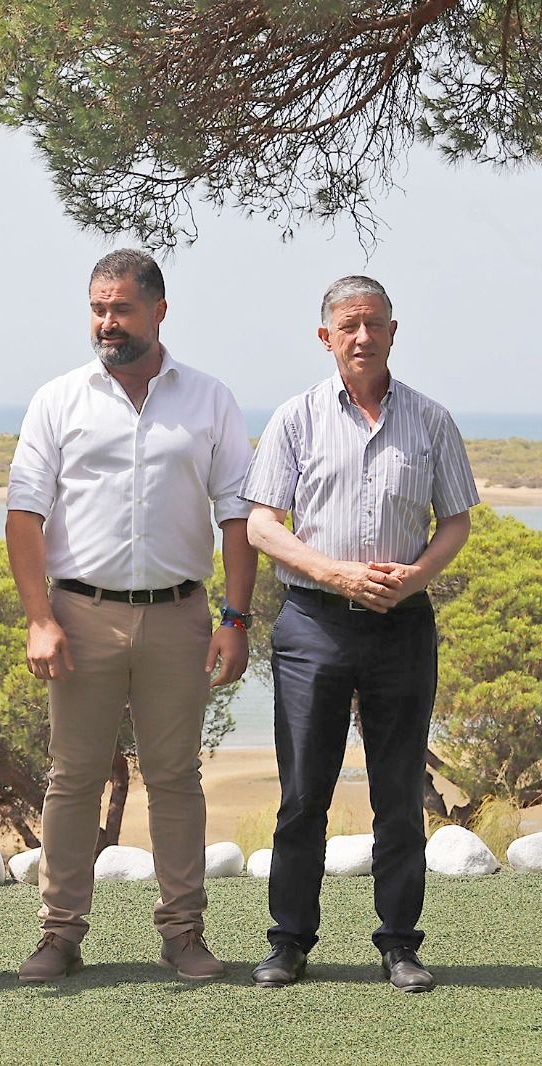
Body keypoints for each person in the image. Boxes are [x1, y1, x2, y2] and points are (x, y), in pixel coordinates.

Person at [6, 249, 257, 983]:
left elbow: (236, 517)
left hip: (180, 616)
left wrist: (235, 619)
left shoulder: (209, 400)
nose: (105, 322)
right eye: (96, 308)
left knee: (176, 777)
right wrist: (37, 617)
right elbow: (24, 516)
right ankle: (59, 933)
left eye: (119, 308)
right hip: (79, 615)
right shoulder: (58, 399)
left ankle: (183, 933)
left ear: (158, 310)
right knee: (72, 778)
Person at [242, 276, 478, 993]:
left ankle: (400, 944)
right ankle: (288, 943)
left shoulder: (432, 422)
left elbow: (457, 522)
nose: (362, 337)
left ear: (394, 331)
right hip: (313, 622)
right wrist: (337, 574)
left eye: (373, 324)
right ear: (325, 337)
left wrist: (413, 579)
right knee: (303, 795)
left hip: (403, 627)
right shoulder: (295, 419)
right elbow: (260, 525)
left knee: (399, 794)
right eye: (348, 326)